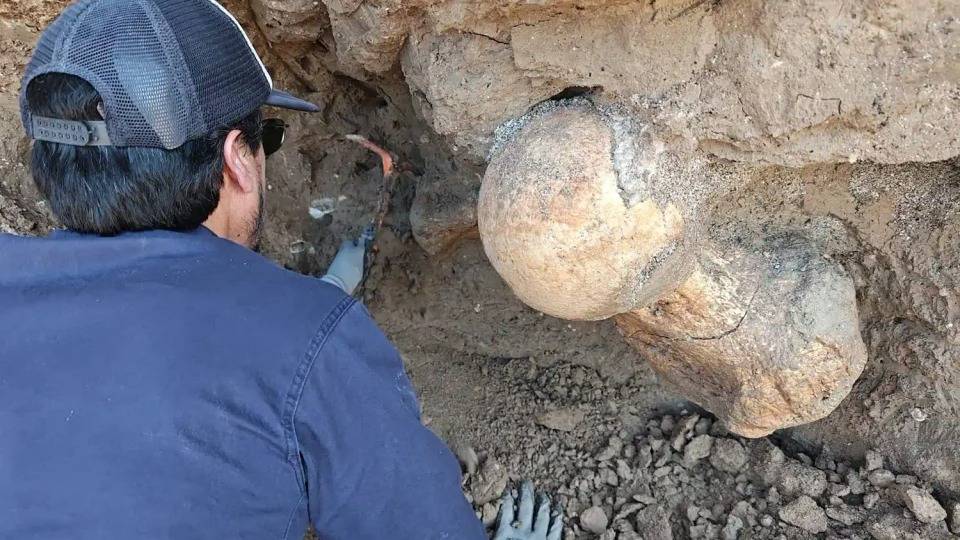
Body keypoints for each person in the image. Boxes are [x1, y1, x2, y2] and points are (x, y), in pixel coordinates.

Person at [0, 0, 564, 539]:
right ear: (236, 160)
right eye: (266, 137)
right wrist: (309, 334)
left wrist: (302, 323)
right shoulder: (309, 344)